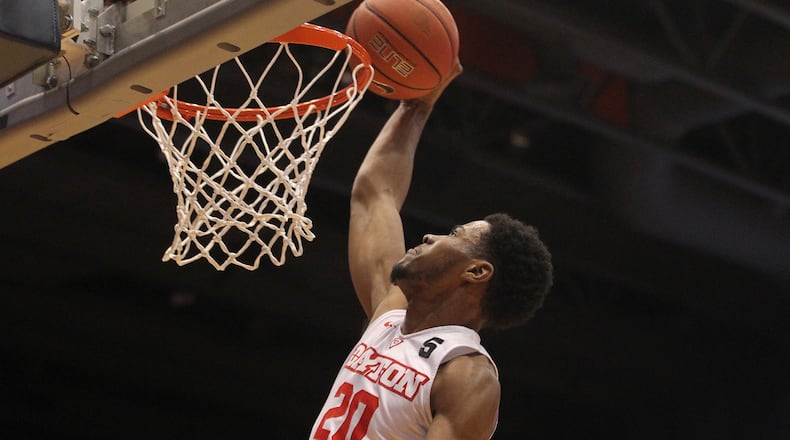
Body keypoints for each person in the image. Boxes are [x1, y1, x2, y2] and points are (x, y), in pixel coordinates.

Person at [309, 62, 553, 440]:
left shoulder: (465, 374)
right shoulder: (389, 317)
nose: (431, 237)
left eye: (455, 233)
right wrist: (415, 108)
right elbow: (376, 193)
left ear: (476, 272)